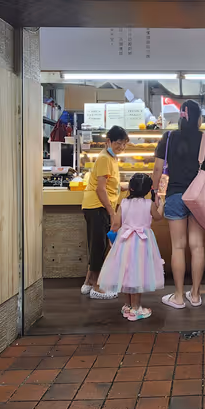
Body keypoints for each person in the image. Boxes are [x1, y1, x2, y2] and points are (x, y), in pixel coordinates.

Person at [153, 100, 205, 309]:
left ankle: (179, 296)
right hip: (198, 199)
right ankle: (196, 295)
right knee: (197, 246)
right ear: (198, 118)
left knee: (178, 247)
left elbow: (157, 170)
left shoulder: (169, 137)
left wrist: (154, 192)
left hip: (174, 196)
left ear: (181, 117)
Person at [97, 174, 165, 321]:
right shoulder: (149, 204)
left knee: (125, 272)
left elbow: (115, 224)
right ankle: (136, 309)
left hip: (125, 241)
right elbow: (158, 217)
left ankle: (127, 305)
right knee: (137, 274)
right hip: (142, 243)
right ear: (148, 190)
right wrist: (161, 205)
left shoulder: (124, 203)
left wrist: (112, 237)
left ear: (131, 187)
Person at [80, 125, 129, 300]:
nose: (121, 147)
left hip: (98, 206)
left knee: (98, 246)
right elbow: (101, 190)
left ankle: (88, 283)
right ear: (108, 141)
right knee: (99, 246)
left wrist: (126, 187)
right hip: (97, 207)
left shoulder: (112, 158)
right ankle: (97, 287)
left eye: (124, 144)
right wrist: (111, 212)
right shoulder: (104, 158)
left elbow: (110, 184)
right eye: (118, 143)